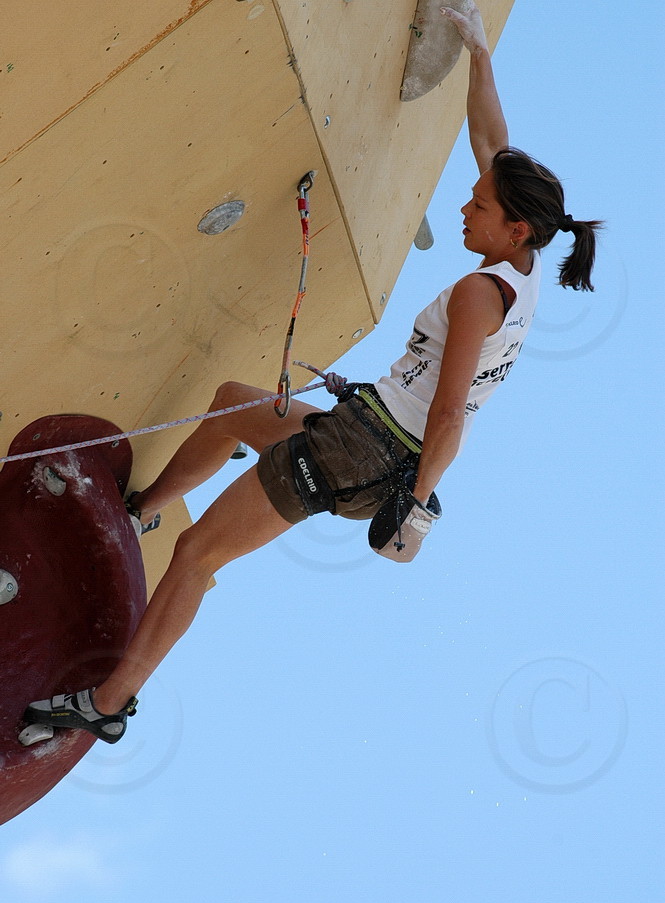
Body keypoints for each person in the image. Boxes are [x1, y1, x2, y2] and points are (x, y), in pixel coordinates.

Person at [22, 3, 602, 744]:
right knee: (234, 404)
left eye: (477, 205)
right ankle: (142, 510)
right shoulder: (520, 267)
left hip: (363, 454)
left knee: (199, 557)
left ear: (514, 228)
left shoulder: (476, 294)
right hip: (368, 431)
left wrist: (413, 503)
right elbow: (491, 140)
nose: (463, 206)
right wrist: (480, 56)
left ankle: (106, 705)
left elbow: (450, 417)